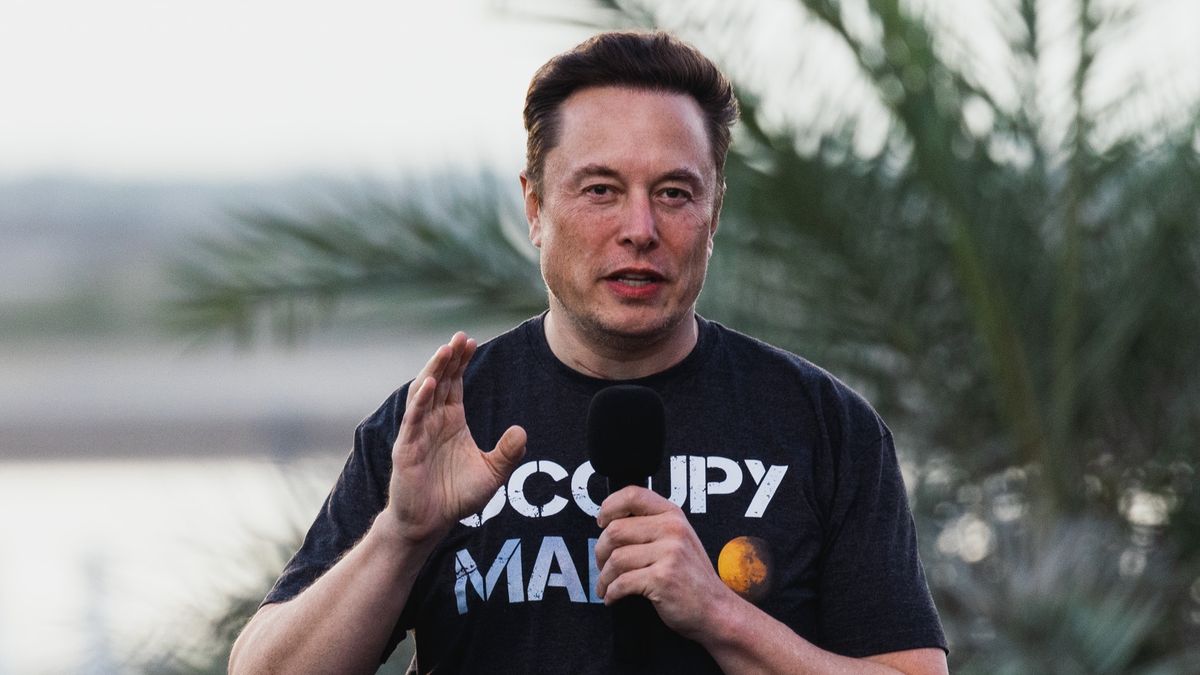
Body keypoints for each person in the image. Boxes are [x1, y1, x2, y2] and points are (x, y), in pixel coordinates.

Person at [229, 31, 948, 674]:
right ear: (535, 208)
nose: (640, 228)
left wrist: (721, 614)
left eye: (674, 192)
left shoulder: (821, 425)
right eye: (600, 189)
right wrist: (402, 533)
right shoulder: (445, 420)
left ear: (714, 211)